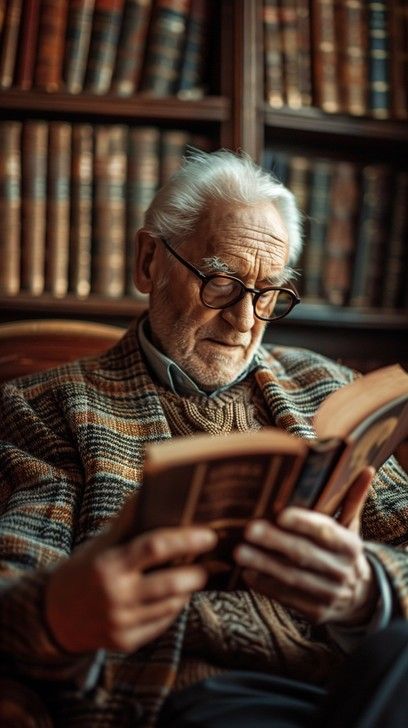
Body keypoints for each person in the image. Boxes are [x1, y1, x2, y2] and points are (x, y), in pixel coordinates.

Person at [0, 150, 407, 728]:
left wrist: (368, 592)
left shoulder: (331, 389)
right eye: (221, 282)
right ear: (149, 262)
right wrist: (60, 610)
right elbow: (16, 569)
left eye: (269, 293)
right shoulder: (48, 409)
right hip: (207, 696)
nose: (244, 321)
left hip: (363, 680)